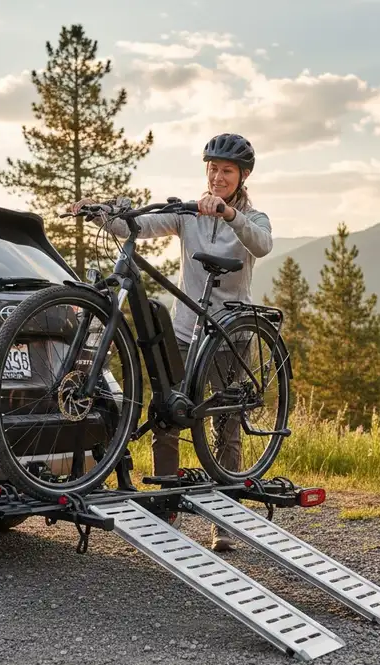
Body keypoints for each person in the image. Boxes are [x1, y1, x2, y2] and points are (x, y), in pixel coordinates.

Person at [70, 132, 273, 552]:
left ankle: (225, 523)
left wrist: (230, 214)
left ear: (243, 176)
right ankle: (167, 509)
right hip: (185, 331)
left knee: (225, 426)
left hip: (228, 332)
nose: (217, 177)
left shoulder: (255, 219)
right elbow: (139, 226)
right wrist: (99, 213)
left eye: (227, 171)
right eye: (213, 169)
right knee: (167, 413)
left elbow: (263, 245)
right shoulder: (188, 214)